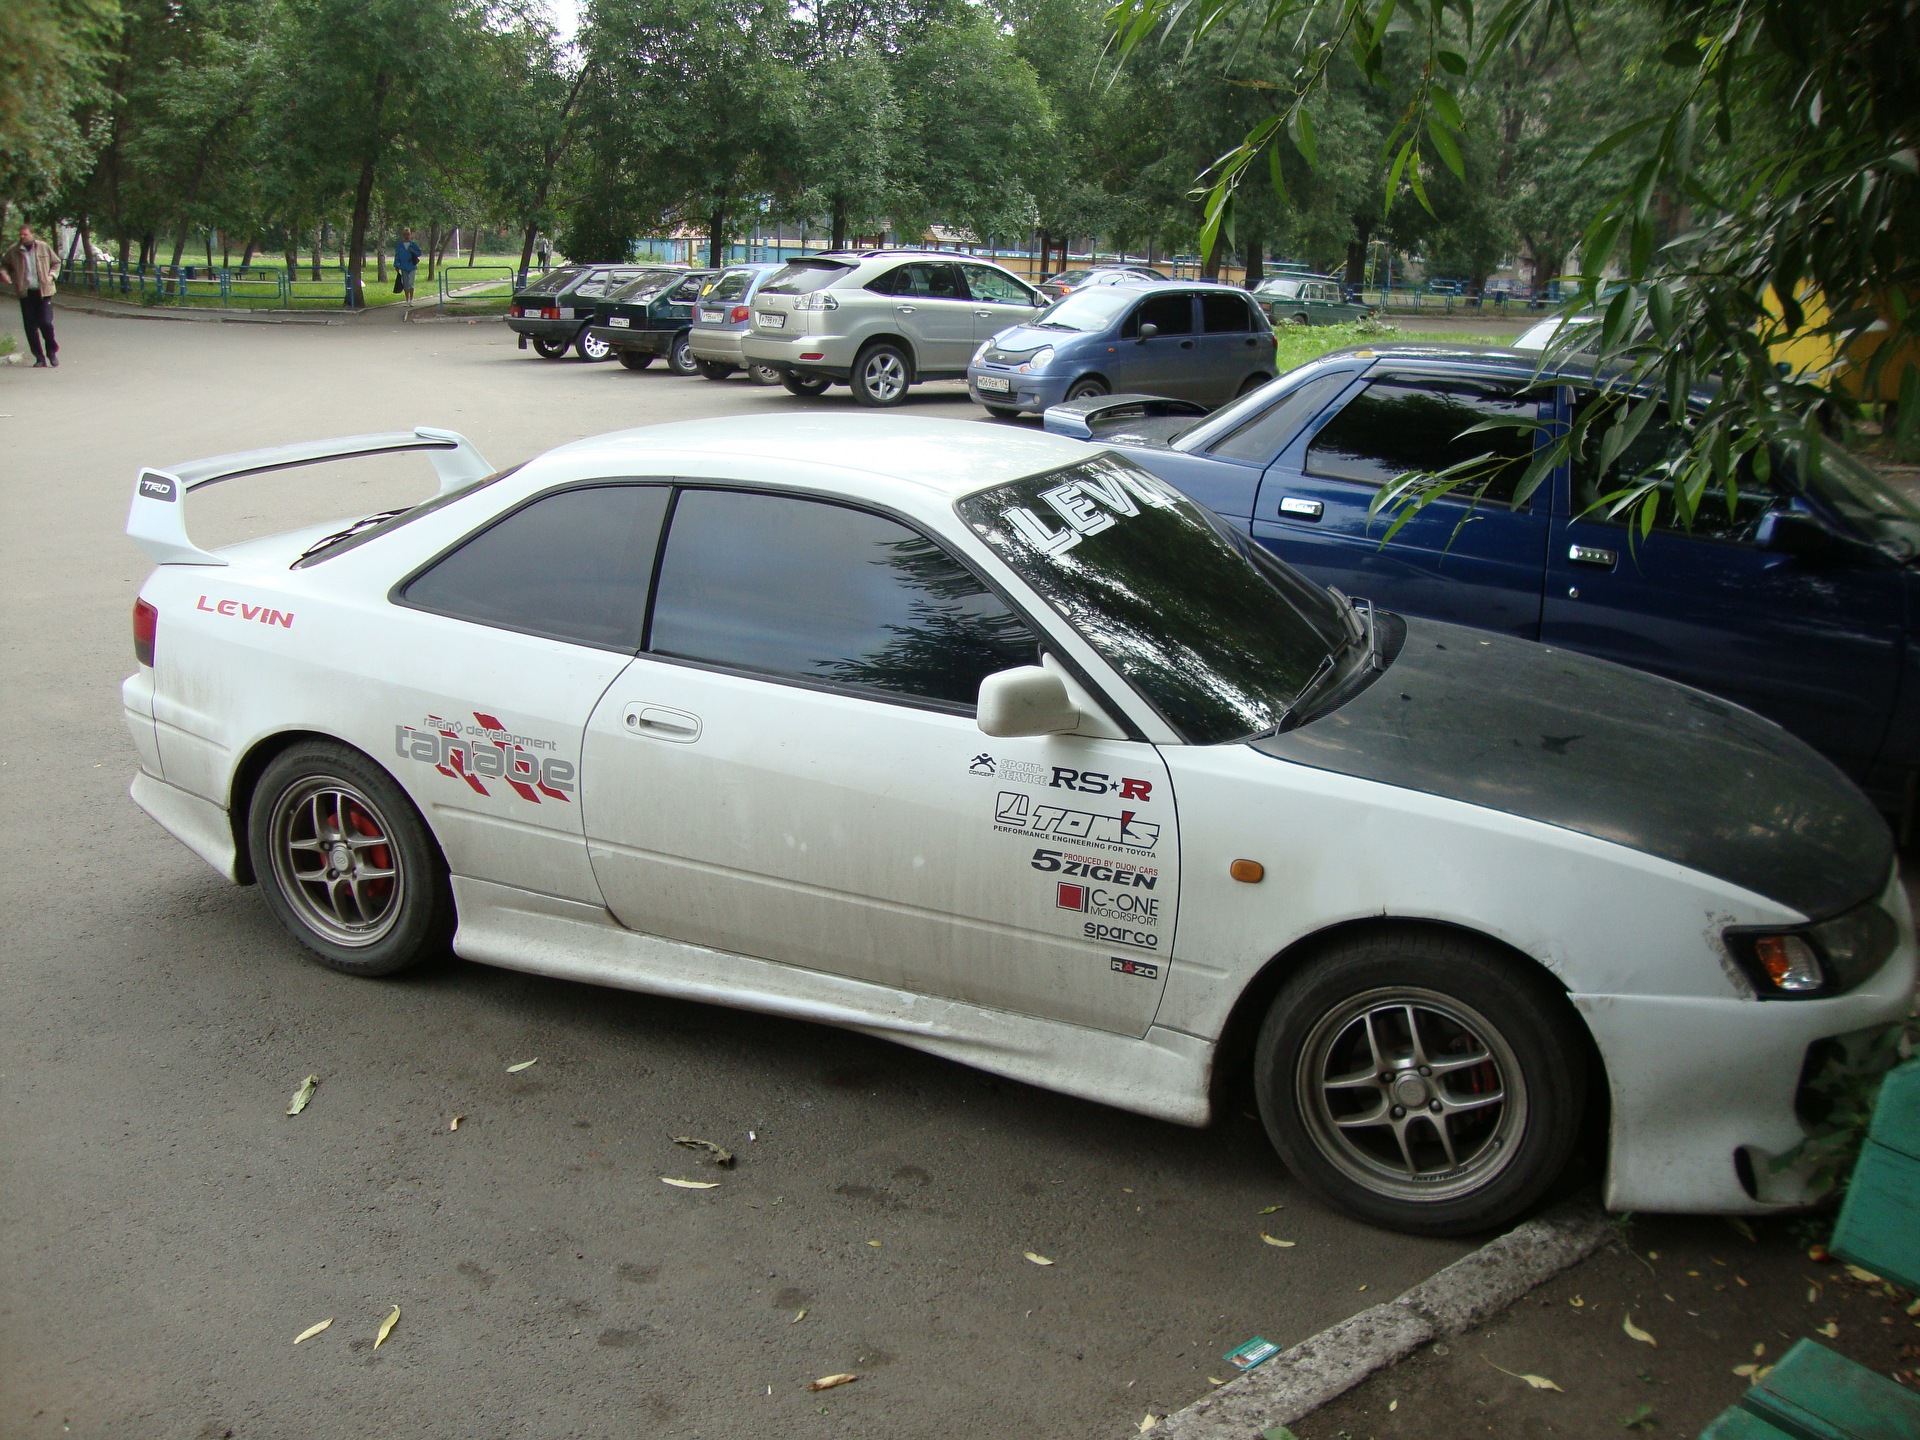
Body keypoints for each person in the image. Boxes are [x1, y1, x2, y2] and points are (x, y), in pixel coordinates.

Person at [3, 223, 61, 367]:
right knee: (30, 327)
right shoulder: (14, 251)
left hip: (43, 291)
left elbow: (56, 263)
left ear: (32, 234)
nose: (22, 237)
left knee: (46, 323)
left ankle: (51, 352)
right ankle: (39, 358)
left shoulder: (43, 247)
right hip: (26, 293)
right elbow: (4, 265)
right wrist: (4, 273)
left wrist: (51, 275)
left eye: (25, 234)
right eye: (21, 235)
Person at [393, 229, 423, 318]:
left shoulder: (413, 245)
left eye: (408, 234)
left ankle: (411, 300)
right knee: (405, 284)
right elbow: (397, 256)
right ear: (403, 235)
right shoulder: (400, 246)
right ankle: (406, 300)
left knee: (411, 284)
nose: (407, 236)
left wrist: (414, 252)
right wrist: (396, 265)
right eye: (405, 234)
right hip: (403, 266)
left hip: (412, 266)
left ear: (410, 235)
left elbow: (419, 253)